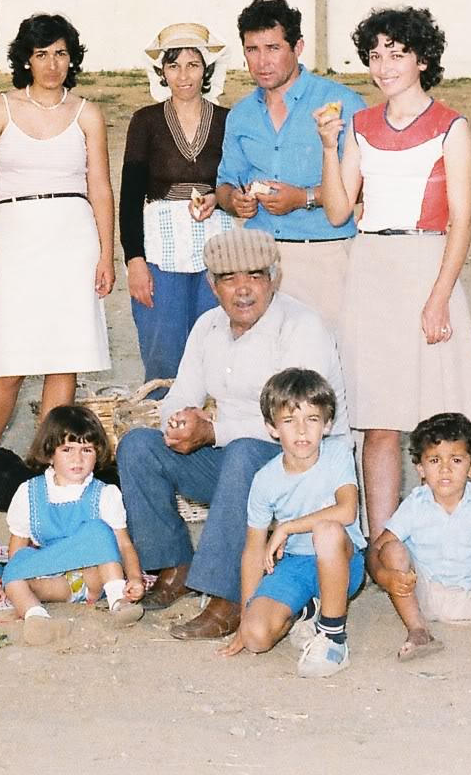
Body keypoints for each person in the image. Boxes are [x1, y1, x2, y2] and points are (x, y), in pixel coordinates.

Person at [117, 227, 346, 641]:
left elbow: (297, 423)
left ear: (274, 277)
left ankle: (228, 600)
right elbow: (180, 394)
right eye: (229, 279)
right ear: (212, 284)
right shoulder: (208, 326)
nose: (243, 290)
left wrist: (213, 431)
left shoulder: (301, 326)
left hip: (298, 469)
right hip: (231, 457)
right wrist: (179, 422)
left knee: (243, 451)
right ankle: (174, 566)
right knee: (138, 446)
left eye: (254, 276)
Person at [315, 7, 471, 536]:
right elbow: (339, 211)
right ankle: (383, 543)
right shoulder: (361, 124)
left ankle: (444, 541)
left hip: (427, 266)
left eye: (397, 53)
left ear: (421, 59)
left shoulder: (451, 126)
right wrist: (329, 145)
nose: (385, 66)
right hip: (370, 270)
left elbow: (462, 219)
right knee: (378, 422)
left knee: (441, 424)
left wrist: (438, 299)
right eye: (375, 56)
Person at [0, 14, 114, 491]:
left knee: (63, 358)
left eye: (61, 54)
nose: (52, 65)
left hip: (73, 238)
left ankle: (43, 466)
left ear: (73, 59)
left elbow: (102, 189)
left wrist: (107, 255)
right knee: (10, 360)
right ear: (26, 58)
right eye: (42, 54)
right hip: (15, 238)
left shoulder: (88, 113)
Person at [214, 0, 367, 329]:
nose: (262, 61)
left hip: (325, 254)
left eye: (273, 47)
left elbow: (363, 186)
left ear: (297, 47)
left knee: (328, 365)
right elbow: (225, 184)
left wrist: (303, 198)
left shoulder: (343, 104)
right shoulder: (240, 115)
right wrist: (234, 202)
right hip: (258, 260)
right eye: (252, 49)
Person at [217, 367, 366, 678]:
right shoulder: (265, 480)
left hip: (341, 562)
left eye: (312, 419)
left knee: (326, 531)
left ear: (326, 425)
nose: (301, 431)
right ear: (272, 427)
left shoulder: (337, 455)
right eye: (289, 421)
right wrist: (246, 616)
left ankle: (332, 636)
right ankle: (306, 609)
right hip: (295, 564)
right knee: (257, 638)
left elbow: (347, 511)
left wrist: (286, 527)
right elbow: (254, 550)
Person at [120, 22, 233, 384]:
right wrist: (134, 261)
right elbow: (130, 197)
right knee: (164, 355)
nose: (183, 76)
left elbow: (236, 184)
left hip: (218, 247)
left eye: (193, 64)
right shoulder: (146, 122)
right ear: (162, 72)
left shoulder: (229, 120)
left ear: (207, 70)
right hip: (160, 251)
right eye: (174, 65)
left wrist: (218, 198)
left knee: (218, 350)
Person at [0, 405, 145, 645]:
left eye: (87, 449)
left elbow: (124, 544)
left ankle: (118, 602)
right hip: (55, 580)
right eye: (67, 449)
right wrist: (12, 580)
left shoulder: (105, 494)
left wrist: (135, 578)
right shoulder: (28, 492)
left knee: (97, 531)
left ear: (98, 453)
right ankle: (36, 618)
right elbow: (18, 545)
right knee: (18, 565)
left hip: (93, 578)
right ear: (50, 453)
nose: (78, 459)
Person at [371, 412, 471, 662]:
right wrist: (385, 577)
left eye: (456, 460)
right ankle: (418, 631)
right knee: (393, 549)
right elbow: (375, 551)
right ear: (420, 468)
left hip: (469, 594)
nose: (445, 469)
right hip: (420, 593)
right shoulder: (416, 504)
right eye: (435, 460)